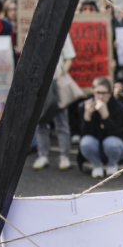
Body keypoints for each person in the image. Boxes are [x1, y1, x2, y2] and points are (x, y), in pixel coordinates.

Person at [32, 35, 77, 172]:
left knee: (61, 120)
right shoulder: (33, 32)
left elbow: (69, 57)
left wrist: (60, 74)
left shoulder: (63, 33)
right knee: (39, 122)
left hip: (56, 83)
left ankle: (64, 155)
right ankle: (43, 155)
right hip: (39, 84)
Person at [78, 77, 123, 178]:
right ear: (92, 92)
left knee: (111, 143)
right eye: (98, 92)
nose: (101, 96)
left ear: (110, 93)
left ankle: (112, 164)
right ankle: (96, 165)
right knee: (85, 142)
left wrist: (106, 116)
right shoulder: (83, 106)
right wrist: (87, 116)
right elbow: (84, 135)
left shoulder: (119, 108)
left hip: (113, 147)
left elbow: (118, 134)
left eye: (104, 93)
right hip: (95, 147)